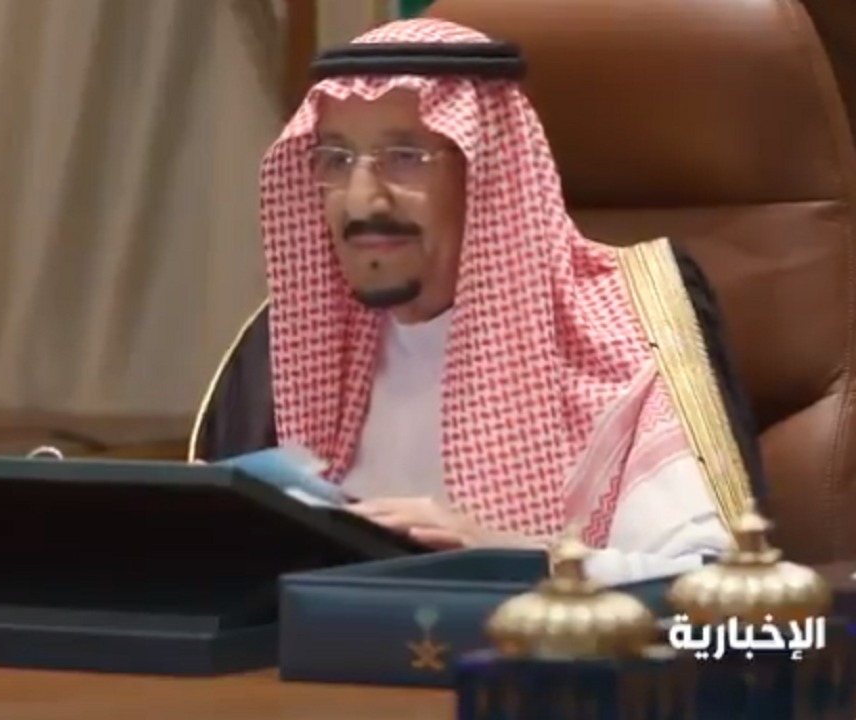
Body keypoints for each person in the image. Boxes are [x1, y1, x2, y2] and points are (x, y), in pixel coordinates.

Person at [188, 18, 766, 583]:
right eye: (336, 160)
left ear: (488, 171)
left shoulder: (625, 329)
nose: (361, 200)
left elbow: (712, 587)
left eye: (405, 156)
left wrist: (500, 560)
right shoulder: (287, 348)